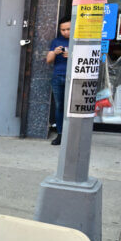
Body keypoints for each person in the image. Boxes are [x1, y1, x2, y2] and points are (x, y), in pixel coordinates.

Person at [46, 16, 71, 146]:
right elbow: (48, 60)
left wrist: (72, 55)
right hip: (58, 77)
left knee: (71, 107)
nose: (66, 32)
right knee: (59, 106)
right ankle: (60, 134)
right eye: (63, 30)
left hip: (73, 78)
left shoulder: (78, 41)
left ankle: (71, 135)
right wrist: (54, 53)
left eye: (68, 29)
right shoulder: (56, 41)